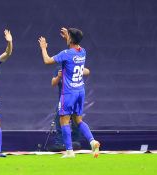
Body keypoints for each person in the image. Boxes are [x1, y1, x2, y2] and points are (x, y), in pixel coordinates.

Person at [38, 27, 100, 158]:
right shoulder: (82, 51)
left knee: (64, 120)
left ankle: (69, 151)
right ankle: (93, 141)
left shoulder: (66, 53)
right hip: (80, 91)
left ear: (71, 39)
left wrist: (43, 47)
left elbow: (47, 60)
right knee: (78, 120)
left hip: (69, 93)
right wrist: (69, 36)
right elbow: (75, 45)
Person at [50, 66, 90, 151]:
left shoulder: (75, 65)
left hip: (75, 99)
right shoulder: (59, 69)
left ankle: (75, 142)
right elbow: (53, 83)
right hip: (64, 100)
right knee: (60, 121)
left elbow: (87, 71)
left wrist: (76, 72)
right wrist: (59, 76)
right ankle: (60, 143)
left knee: (77, 122)